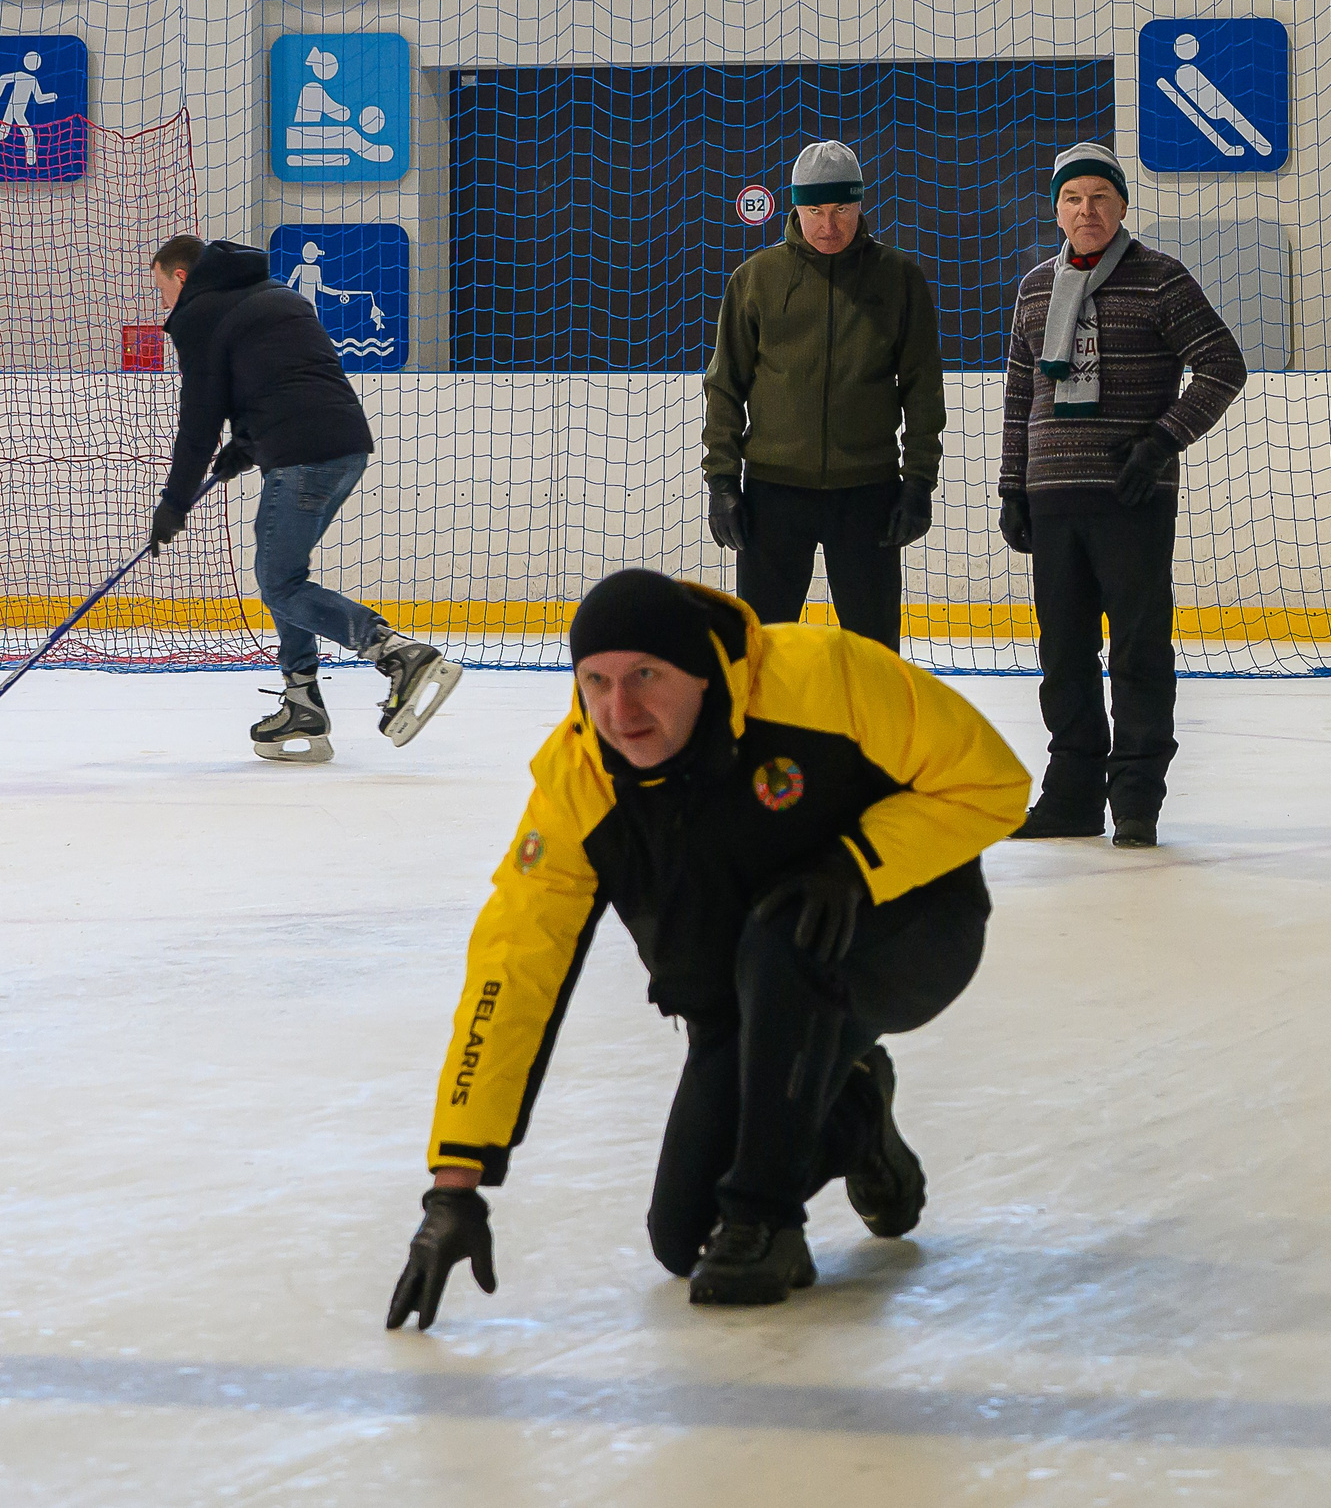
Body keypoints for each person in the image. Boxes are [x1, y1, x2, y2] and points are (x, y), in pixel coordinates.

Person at [385, 569, 1028, 1325]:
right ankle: (856, 1114)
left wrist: (856, 863)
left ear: (698, 671)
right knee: (682, 1235)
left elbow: (991, 781)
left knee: (781, 935)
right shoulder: (579, 782)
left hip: (908, 933)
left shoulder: (825, 676)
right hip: (743, 996)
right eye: (596, 682)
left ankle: (768, 1221)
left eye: (645, 676)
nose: (620, 711)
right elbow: (514, 965)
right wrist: (454, 1185)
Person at [998, 143, 1248, 848]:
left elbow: (1223, 364)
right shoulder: (1036, 288)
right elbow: (1019, 394)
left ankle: (1136, 800)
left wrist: (1162, 441)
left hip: (1130, 497)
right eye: (1073, 198)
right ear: (1057, 210)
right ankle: (1072, 797)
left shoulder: (1160, 278)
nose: (1087, 211)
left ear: (1122, 206)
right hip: (1052, 497)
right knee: (1064, 655)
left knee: (1139, 649)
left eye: (1100, 198)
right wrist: (1012, 487)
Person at [147, 234, 458, 762]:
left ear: (181, 276)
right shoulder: (276, 294)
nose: (164, 303)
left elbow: (199, 421)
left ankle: (395, 652)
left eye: (162, 289)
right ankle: (302, 701)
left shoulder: (198, 313)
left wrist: (174, 502)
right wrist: (245, 446)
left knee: (279, 583)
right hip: (346, 446)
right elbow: (282, 376)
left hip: (302, 456)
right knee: (281, 574)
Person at [703, 140, 945, 650]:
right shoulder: (755, 279)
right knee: (763, 652)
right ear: (796, 207)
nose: (828, 226)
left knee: (874, 654)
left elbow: (923, 387)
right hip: (772, 495)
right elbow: (724, 387)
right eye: (814, 210)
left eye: (841, 209)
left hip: (868, 495)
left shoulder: (898, 278)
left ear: (861, 204)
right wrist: (722, 482)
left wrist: (919, 483)